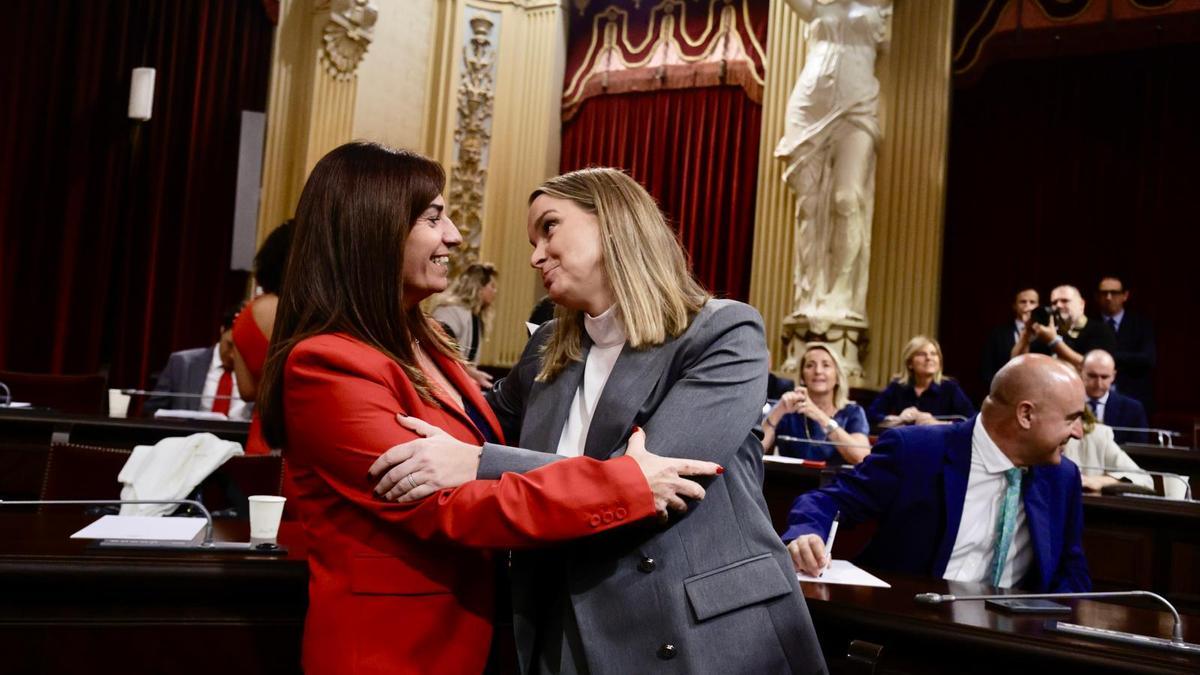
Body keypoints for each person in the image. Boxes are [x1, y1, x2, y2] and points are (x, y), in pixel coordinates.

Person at [256, 143, 721, 675]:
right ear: (374, 230)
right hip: (394, 651)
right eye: (434, 217)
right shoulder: (327, 365)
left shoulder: (425, 339)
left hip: (476, 634)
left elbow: (488, 442)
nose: (454, 234)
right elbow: (450, 505)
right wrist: (626, 484)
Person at [371, 168, 826, 673]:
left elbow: (652, 487)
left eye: (549, 228)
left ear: (613, 221)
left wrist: (479, 463)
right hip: (570, 629)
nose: (534, 255)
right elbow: (462, 431)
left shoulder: (723, 331)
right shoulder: (546, 347)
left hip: (701, 631)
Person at [784, 354, 1091, 593]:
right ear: (1025, 414)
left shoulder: (1062, 478)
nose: (1079, 432)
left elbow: (1071, 574)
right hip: (909, 629)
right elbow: (827, 502)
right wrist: (807, 533)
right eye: (1072, 418)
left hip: (1012, 644)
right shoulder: (915, 451)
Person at [775, 0, 893, 320]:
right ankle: (809, 292)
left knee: (847, 198)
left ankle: (841, 293)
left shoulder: (882, 4)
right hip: (808, 104)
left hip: (858, 105)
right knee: (809, 205)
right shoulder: (817, 3)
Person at [231, 220, 293, 455]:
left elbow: (246, 390)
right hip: (297, 438)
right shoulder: (304, 312)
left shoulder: (246, 315)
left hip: (261, 438)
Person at [762, 343, 870, 464]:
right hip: (789, 480)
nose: (818, 371)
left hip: (837, 481)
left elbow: (862, 457)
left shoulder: (853, 412)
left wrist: (819, 416)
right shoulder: (788, 412)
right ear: (802, 377)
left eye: (826, 365)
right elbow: (756, 449)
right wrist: (777, 411)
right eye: (810, 365)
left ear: (838, 376)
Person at [144, 305, 249, 420]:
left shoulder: (260, 374)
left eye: (241, 348)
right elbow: (151, 411)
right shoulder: (182, 363)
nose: (233, 355)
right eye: (230, 345)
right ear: (222, 330)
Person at [867, 335, 975, 428]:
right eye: (922, 354)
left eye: (933, 354)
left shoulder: (950, 388)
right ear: (910, 363)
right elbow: (871, 414)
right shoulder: (897, 386)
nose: (929, 358)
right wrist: (898, 419)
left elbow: (970, 420)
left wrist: (936, 423)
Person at [1013, 284, 1116, 369]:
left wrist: (1054, 342)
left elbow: (1094, 367)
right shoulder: (1047, 332)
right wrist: (1026, 333)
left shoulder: (1101, 330)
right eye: (1054, 302)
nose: (1058, 305)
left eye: (1065, 301)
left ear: (1081, 304)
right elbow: (1017, 363)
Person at [431, 262, 498, 390]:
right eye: (492, 286)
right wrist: (470, 373)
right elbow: (442, 355)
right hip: (442, 386)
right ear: (479, 287)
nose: (495, 291)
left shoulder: (475, 315)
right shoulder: (449, 312)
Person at [1095, 275, 1156, 412]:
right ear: (1097, 297)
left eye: (1114, 293)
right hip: (1095, 397)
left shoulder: (1141, 324)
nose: (1109, 297)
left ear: (1125, 295)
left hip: (1133, 395)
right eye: (1104, 293)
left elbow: (1148, 359)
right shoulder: (1091, 323)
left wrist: (1110, 357)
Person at [1063, 408, 1153, 493]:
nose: (1078, 433)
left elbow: (1144, 480)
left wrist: (1099, 481)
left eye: (1076, 417)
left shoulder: (1096, 435)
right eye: (1068, 419)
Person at [1081, 349, 1148, 445]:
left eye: (1104, 377)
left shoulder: (1133, 409)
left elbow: (1140, 450)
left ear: (1113, 376)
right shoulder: (1067, 403)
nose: (1098, 384)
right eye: (1092, 376)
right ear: (1081, 372)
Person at [979, 287, 1039, 391]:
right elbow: (987, 369)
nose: (1027, 306)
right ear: (1015, 306)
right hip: (1005, 389)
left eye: (1032, 302)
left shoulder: (1045, 333)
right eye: (1023, 302)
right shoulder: (998, 333)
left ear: (1038, 306)